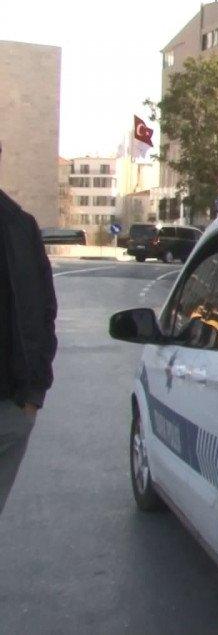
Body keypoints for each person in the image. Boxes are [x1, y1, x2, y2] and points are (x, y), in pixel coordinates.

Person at [0, 140, 58, 515]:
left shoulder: (20, 227)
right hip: (15, 406)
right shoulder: (20, 225)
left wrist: (32, 396)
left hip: (12, 408)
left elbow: (43, 311)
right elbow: (44, 311)